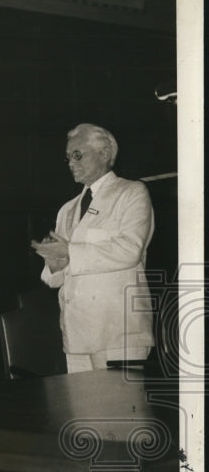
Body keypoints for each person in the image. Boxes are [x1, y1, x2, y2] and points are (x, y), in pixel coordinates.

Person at [32, 123, 155, 372]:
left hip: (119, 334)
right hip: (76, 336)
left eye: (78, 155)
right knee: (82, 410)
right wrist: (55, 265)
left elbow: (129, 250)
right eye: (67, 157)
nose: (70, 162)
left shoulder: (132, 193)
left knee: (119, 410)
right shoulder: (67, 209)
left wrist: (69, 253)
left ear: (105, 153)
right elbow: (60, 277)